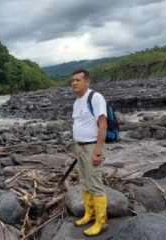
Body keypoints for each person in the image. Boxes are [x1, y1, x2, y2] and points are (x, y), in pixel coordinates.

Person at [71, 69, 108, 236]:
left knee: (95, 183)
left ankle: (101, 222)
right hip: (81, 147)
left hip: (93, 147)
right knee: (84, 181)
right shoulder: (77, 101)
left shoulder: (95, 97)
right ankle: (89, 214)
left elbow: (103, 125)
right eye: (72, 80)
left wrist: (98, 152)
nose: (74, 83)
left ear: (87, 82)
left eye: (78, 80)